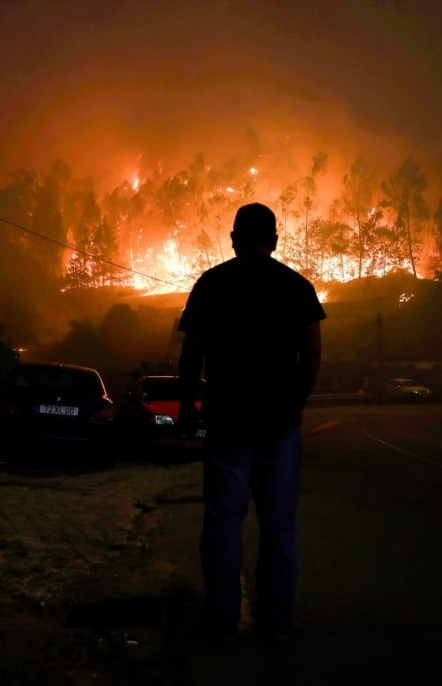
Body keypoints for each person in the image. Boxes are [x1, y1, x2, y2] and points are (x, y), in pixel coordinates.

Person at [177, 201, 326, 642]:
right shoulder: (297, 287)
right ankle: (275, 620)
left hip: (227, 420)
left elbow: (192, 355)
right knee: (278, 523)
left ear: (234, 239)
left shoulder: (211, 284)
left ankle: (223, 617)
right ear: (275, 240)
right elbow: (313, 353)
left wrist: (189, 409)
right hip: (279, 424)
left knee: (223, 520)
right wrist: (296, 400)